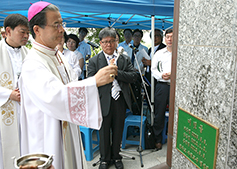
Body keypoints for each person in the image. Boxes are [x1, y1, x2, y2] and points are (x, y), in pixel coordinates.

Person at [19, 2, 117, 169]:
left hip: (67, 129)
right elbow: (55, 96)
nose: (62, 29)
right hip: (47, 136)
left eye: (61, 23)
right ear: (37, 30)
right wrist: (94, 81)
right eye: (56, 25)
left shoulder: (59, 56)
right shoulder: (32, 63)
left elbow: (71, 84)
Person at [87, 27, 138, 169]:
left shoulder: (124, 58)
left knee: (118, 129)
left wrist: (116, 73)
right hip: (102, 101)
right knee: (103, 132)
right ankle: (104, 159)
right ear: (100, 43)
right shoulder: (94, 61)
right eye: (105, 42)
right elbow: (90, 81)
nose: (108, 45)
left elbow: (133, 77)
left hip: (120, 100)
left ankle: (116, 156)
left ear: (117, 42)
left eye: (111, 41)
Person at [0, 14, 29, 169]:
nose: (26, 36)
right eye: (22, 32)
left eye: (28, 32)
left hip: (25, 111)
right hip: (4, 110)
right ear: (8, 31)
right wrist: (9, 94)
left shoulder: (29, 54)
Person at [151, 29, 173, 150]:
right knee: (159, 112)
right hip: (162, 85)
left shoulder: (180, 52)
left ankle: (174, 137)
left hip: (175, 86)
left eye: (172, 37)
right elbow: (154, 69)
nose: (169, 39)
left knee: (175, 112)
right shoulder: (159, 53)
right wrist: (161, 76)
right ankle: (157, 139)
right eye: (167, 37)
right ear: (165, 38)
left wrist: (173, 75)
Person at [124, 29, 148, 115]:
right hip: (128, 74)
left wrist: (137, 68)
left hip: (138, 75)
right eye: (135, 36)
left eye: (139, 36)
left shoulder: (144, 49)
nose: (137, 38)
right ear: (132, 37)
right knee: (128, 95)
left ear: (141, 37)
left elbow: (146, 61)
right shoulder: (126, 48)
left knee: (137, 95)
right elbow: (125, 61)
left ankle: (137, 113)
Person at [142, 29, 166, 100]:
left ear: (161, 37)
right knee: (149, 97)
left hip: (158, 78)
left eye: (157, 36)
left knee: (157, 100)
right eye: (152, 36)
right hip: (149, 76)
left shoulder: (164, 49)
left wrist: (151, 63)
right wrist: (145, 62)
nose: (155, 38)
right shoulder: (150, 49)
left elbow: (163, 64)